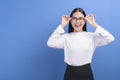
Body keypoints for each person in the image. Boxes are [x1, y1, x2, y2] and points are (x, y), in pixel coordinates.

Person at [47, 8, 115, 80]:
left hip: (86, 73)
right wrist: (61, 25)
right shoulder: (66, 37)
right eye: (74, 18)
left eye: (80, 18)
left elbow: (110, 38)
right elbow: (50, 43)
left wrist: (94, 25)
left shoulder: (92, 36)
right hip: (70, 74)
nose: (77, 21)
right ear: (70, 20)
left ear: (85, 20)